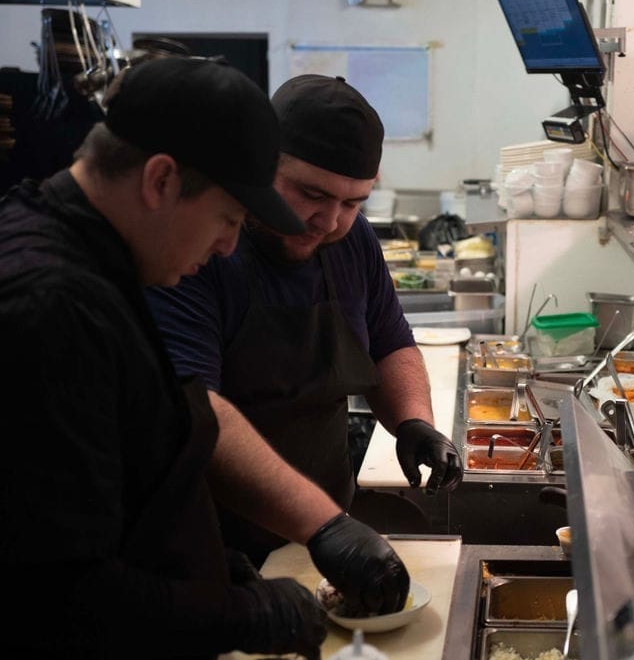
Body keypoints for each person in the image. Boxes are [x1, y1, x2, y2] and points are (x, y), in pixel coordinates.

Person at [0, 57, 407, 660]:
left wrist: (210, 560)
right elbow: (51, 598)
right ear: (162, 180)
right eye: (230, 221)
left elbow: (118, 476)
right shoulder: (46, 310)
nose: (231, 248)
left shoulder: (80, 253)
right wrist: (240, 614)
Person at [148, 74, 462, 566]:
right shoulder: (204, 248)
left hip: (319, 533)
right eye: (312, 194)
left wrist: (413, 423)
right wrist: (324, 525)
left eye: (352, 203)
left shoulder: (351, 240)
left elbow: (389, 341)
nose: (330, 221)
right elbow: (197, 411)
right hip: (213, 543)